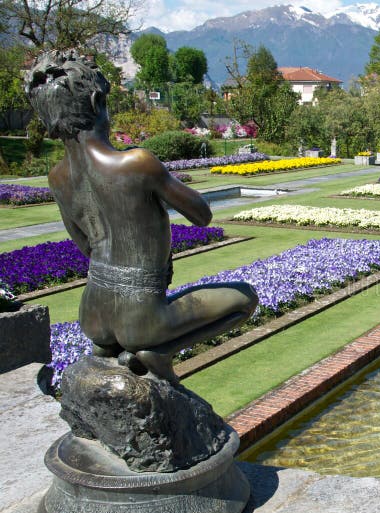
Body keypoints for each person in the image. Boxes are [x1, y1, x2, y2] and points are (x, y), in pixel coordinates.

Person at [25, 50, 258, 385]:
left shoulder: (57, 177)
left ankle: (112, 349)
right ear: (95, 103)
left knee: (122, 323)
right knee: (245, 298)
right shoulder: (136, 163)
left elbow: (85, 244)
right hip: (142, 316)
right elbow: (202, 215)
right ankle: (159, 352)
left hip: (93, 314)